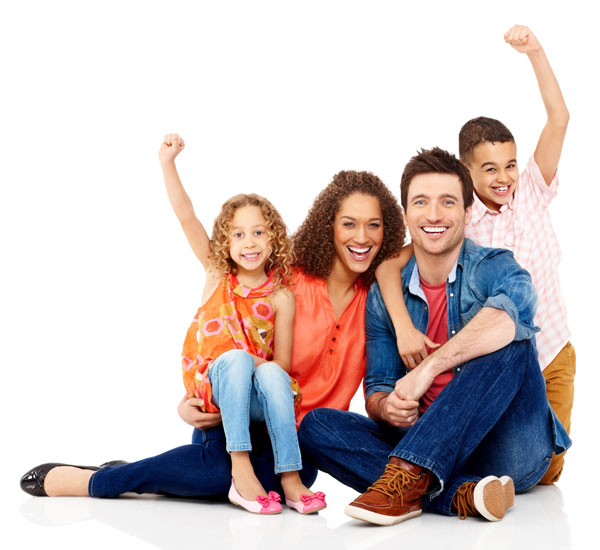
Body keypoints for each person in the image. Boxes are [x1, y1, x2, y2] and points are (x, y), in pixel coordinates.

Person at [20, 147, 406, 506]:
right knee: (219, 472)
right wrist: (190, 400)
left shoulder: (379, 298)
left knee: (270, 476)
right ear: (328, 226)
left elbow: (427, 244)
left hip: (298, 443)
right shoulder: (286, 277)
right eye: (349, 224)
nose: (362, 237)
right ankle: (97, 481)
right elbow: (214, 252)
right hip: (235, 415)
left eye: (374, 225)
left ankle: (139, 472)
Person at [298, 147, 570, 526]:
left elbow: (512, 316)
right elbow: (377, 388)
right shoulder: (385, 296)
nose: (434, 214)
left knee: (512, 335)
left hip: (506, 449)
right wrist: (386, 407)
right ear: (406, 215)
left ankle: (408, 480)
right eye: (421, 202)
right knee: (315, 426)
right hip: (424, 436)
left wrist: (429, 369)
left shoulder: (497, 267)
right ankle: (462, 494)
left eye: (447, 202)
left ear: (467, 211)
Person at [375, 25, 574, 484]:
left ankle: (467, 476)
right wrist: (404, 328)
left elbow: (559, 118)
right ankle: (453, 475)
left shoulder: (530, 193)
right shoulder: (457, 218)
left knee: (546, 473)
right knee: (494, 456)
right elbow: (389, 266)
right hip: (493, 354)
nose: (504, 177)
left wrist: (536, 52)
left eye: (509, 164)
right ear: (466, 171)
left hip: (551, 348)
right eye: (490, 169)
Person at [161, 133, 322, 514]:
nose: (249, 242)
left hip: (253, 398)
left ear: (273, 238)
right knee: (235, 359)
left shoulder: (281, 296)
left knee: (270, 376)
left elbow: (280, 366)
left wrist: (260, 366)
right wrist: (168, 163)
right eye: (238, 234)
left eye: (258, 232)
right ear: (225, 243)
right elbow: (186, 216)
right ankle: (240, 468)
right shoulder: (219, 274)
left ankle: (290, 477)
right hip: (216, 388)